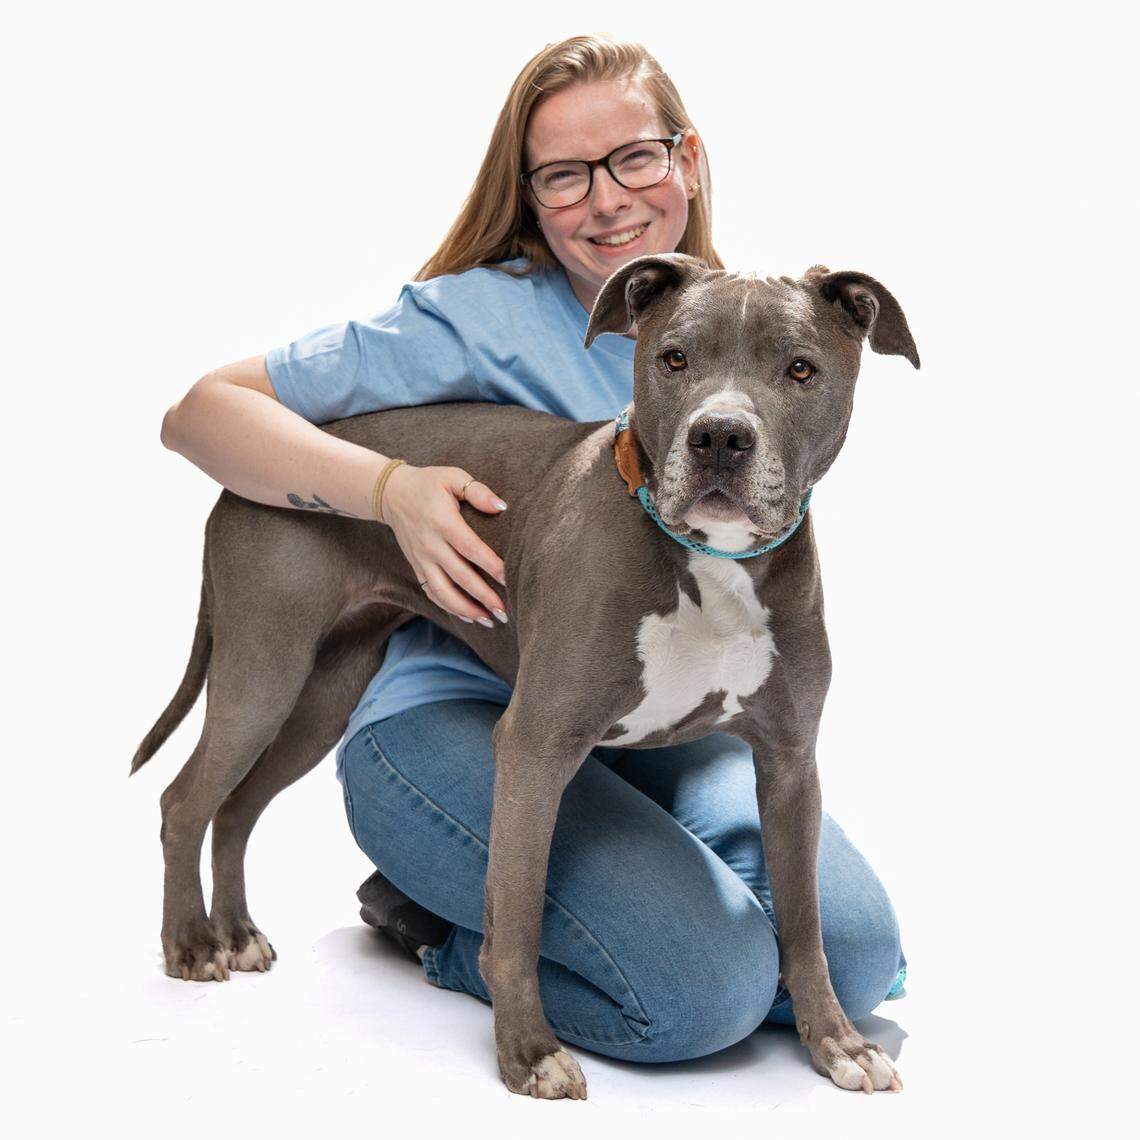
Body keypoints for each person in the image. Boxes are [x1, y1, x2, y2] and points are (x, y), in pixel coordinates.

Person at [161, 34, 905, 1065]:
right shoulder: (470, 319)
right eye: (565, 175)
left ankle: (597, 910)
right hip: (462, 717)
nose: (608, 199)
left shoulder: (738, 315)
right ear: (529, 192)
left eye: (634, 158)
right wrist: (389, 492)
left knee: (856, 960)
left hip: (655, 729)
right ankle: (447, 929)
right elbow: (200, 413)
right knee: (701, 995)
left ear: (688, 158)